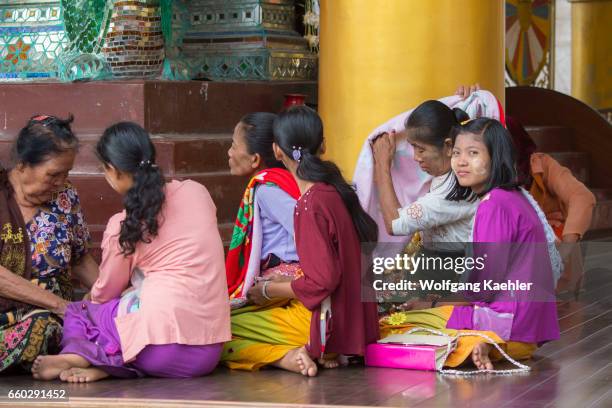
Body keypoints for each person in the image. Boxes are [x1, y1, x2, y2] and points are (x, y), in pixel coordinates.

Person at [31, 122, 231, 382]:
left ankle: (81, 355)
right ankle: (109, 366)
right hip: (208, 353)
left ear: (112, 170)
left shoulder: (123, 226)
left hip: (157, 350)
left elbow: (105, 294)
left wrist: (94, 297)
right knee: (129, 309)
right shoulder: (197, 192)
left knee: (81, 312)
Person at [380, 118, 560, 370]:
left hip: (509, 327)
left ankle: (480, 341)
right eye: (456, 153)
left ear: (496, 157)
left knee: (396, 323)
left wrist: (432, 304)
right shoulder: (513, 197)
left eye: (473, 153)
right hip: (527, 328)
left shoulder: (493, 204)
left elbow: (483, 286)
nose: (461, 161)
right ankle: (480, 342)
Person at [221, 106, 379, 376]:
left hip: (325, 324)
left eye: (233, 145)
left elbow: (323, 281)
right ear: (324, 145)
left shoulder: (310, 204)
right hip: (355, 321)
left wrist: (269, 291)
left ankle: (286, 356)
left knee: (216, 334)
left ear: (277, 151)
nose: (228, 151)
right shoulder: (333, 191)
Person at [0, 115, 97, 373]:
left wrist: (109, 296)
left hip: (50, 317)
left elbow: (79, 258)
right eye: (53, 174)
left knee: (45, 327)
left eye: (66, 174)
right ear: (22, 165)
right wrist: (59, 305)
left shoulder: (65, 196)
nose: (60, 182)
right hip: (18, 312)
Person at [507, 116, 595, 295]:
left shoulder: (542, 164)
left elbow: (581, 196)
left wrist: (566, 247)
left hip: (553, 255)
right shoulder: (482, 169)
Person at [226, 113, 301, 308]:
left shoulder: (268, 191)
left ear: (255, 159)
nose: (229, 152)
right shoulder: (280, 182)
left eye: (234, 146)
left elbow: (307, 230)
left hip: (283, 283)